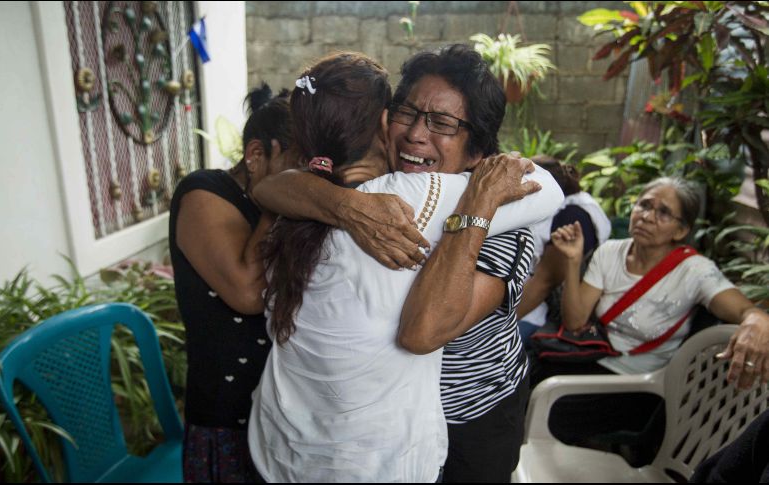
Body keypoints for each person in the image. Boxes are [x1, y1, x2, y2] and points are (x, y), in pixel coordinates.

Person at [247, 51, 563, 483]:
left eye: (443, 124)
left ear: (477, 152)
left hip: (467, 416)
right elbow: (270, 188)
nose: (416, 134)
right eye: (407, 112)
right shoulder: (363, 195)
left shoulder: (505, 225)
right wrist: (345, 206)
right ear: (383, 119)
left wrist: (479, 201)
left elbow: (423, 332)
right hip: (382, 429)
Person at [531, 176, 769, 465]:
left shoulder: (694, 271)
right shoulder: (610, 252)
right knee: (516, 377)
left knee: (542, 409)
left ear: (681, 230)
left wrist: (757, 321)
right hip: (591, 360)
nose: (647, 216)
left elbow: (746, 311)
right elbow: (575, 322)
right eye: (644, 205)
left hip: (636, 385)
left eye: (663, 212)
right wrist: (572, 260)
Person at [168, 85, 293, 482]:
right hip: (228, 419)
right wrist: (280, 197)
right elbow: (249, 293)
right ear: (257, 154)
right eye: (297, 169)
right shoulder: (203, 192)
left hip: (280, 415)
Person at [517, 155, 611, 342]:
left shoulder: (574, 216)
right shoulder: (549, 205)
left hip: (526, 312)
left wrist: (492, 324)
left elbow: (545, 281)